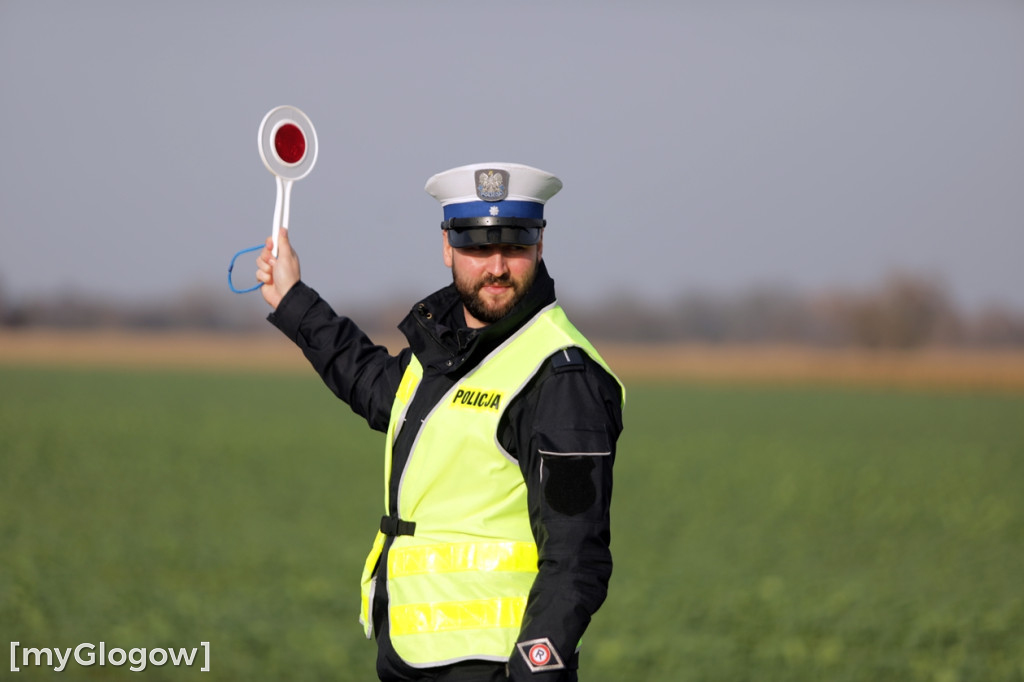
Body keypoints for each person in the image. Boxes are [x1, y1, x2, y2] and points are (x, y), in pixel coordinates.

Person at [255, 162, 625, 681]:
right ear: (447, 248)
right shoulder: (444, 357)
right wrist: (294, 302)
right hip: (411, 656)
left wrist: (538, 666)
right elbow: (372, 384)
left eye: (514, 247)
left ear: (539, 247)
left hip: (498, 668)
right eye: (477, 247)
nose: (496, 266)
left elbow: (576, 555)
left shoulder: (561, 374)